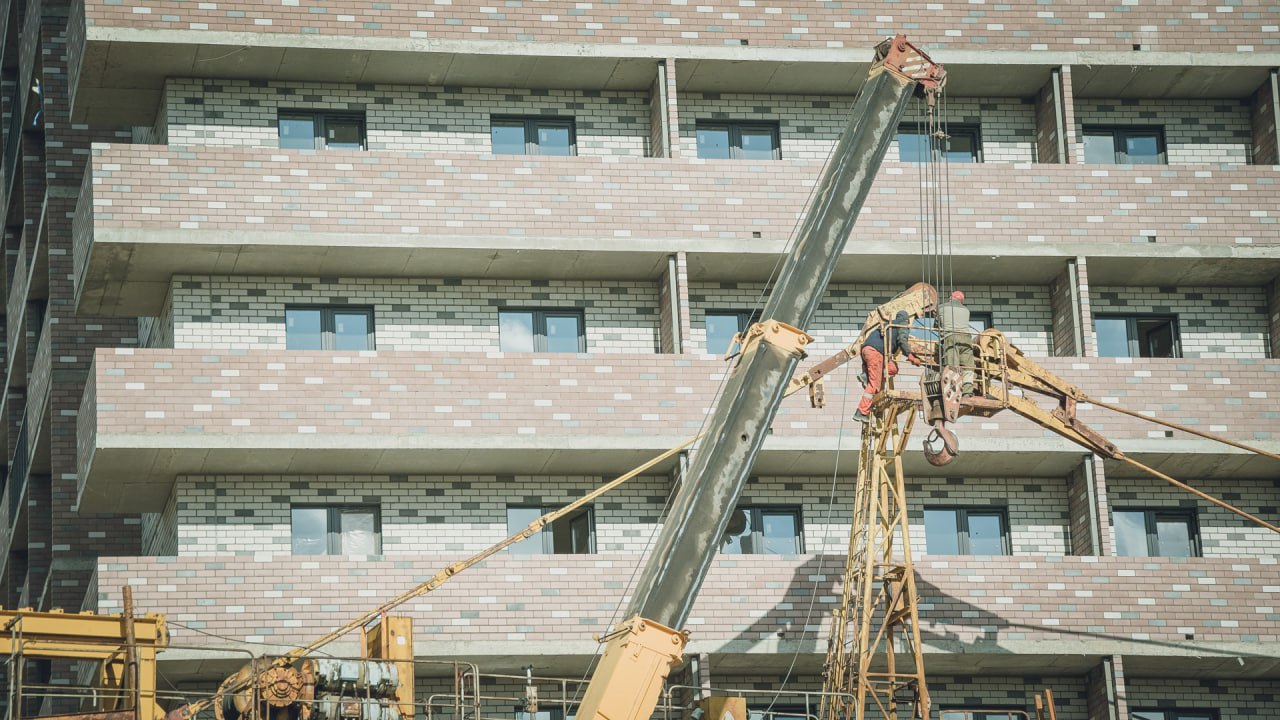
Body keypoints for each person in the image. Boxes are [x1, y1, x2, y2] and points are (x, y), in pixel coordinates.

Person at [854, 310, 920, 423]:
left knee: (892, 368)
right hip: (876, 353)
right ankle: (861, 412)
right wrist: (911, 356)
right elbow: (902, 341)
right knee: (874, 385)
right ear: (907, 320)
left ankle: (866, 376)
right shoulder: (901, 325)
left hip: (866, 350)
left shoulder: (887, 325)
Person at [937, 290, 975, 396]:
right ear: (961, 301)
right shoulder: (966, 310)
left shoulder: (941, 307)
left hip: (951, 337)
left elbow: (937, 325)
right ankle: (967, 391)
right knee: (968, 367)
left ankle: (953, 390)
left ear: (950, 298)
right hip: (967, 339)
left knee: (952, 365)